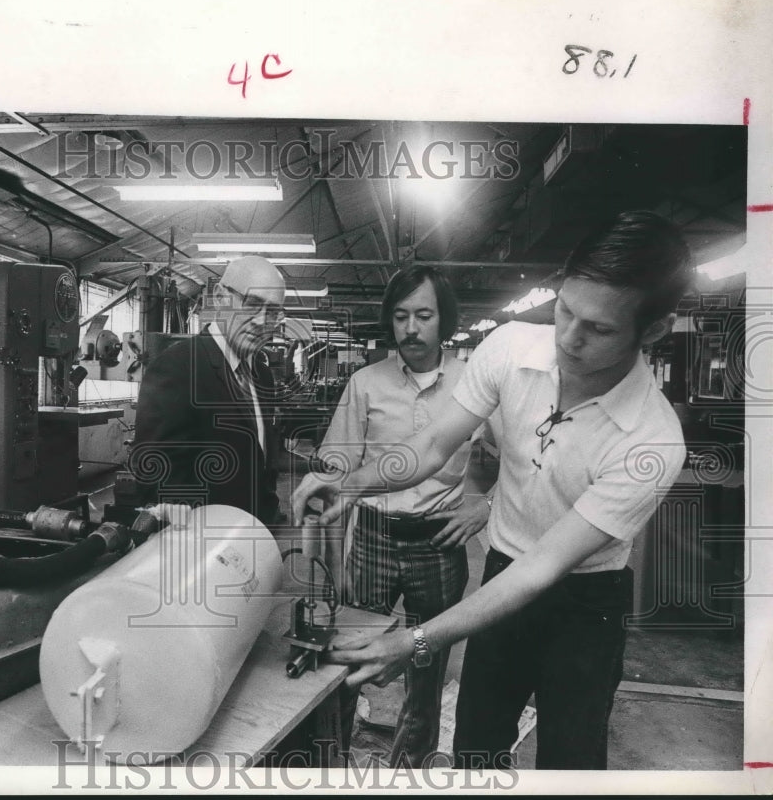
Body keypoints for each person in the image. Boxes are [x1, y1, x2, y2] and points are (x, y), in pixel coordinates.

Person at [292, 211, 693, 769]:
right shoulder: (509, 349)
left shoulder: (652, 441)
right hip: (503, 568)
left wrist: (415, 641)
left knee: (570, 761)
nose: (569, 340)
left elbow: (544, 569)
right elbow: (433, 446)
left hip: (585, 601)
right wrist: (352, 482)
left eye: (598, 329)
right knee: (476, 745)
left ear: (653, 330)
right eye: (565, 311)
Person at [316, 265, 490, 768]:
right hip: (371, 537)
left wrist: (487, 502)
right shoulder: (365, 383)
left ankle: (409, 771)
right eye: (400, 316)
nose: (411, 328)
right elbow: (338, 462)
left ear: (444, 321)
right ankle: (331, 763)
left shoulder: (474, 384)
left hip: (439, 541)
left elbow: (516, 455)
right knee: (349, 658)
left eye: (423, 315)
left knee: (425, 665)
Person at [131, 256, 286, 528]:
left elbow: (259, 464)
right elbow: (154, 474)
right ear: (220, 296)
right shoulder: (178, 367)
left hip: (250, 541)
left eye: (272, 312)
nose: (262, 321)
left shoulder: (261, 373)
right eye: (252, 304)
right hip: (200, 547)